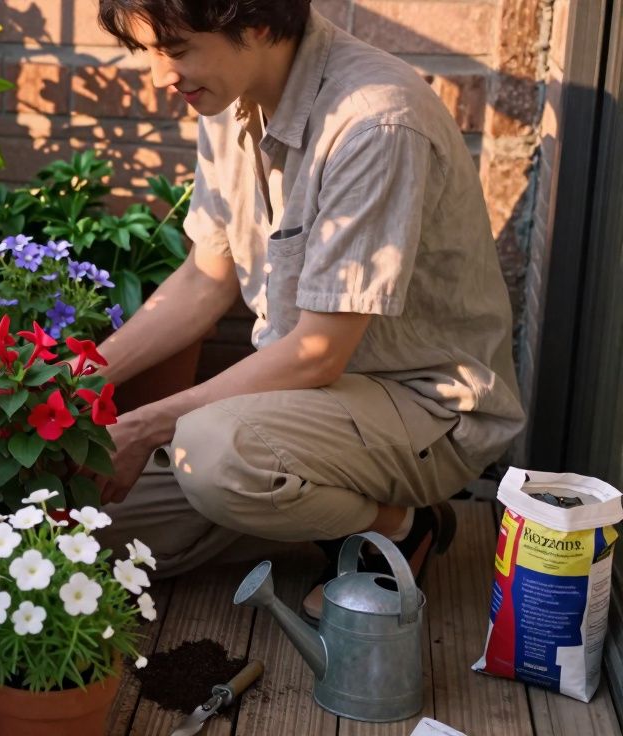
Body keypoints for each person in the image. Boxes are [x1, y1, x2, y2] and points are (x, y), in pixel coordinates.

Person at [89, 0, 526, 620]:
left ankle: (399, 529)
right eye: (150, 52)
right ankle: (284, 500)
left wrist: (141, 425)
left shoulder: (375, 122)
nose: (162, 76)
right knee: (86, 529)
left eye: (177, 50)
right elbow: (206, 280)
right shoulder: (225, 93)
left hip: (422, 408)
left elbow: (320, 350)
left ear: (259, 24)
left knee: (214, 452)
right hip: (299, 411)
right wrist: (80, 378)